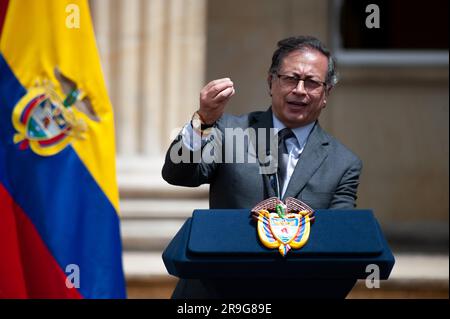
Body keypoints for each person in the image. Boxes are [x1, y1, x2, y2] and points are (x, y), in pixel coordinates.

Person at [162, 35, 362, 211]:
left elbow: (340, 234)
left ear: (326, 93)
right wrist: (203, 120)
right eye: (291, 79)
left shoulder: (343, 164)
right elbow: (177, 175)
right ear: (270, 83)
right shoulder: (230, 132)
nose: (300, 90)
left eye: (312, 82)